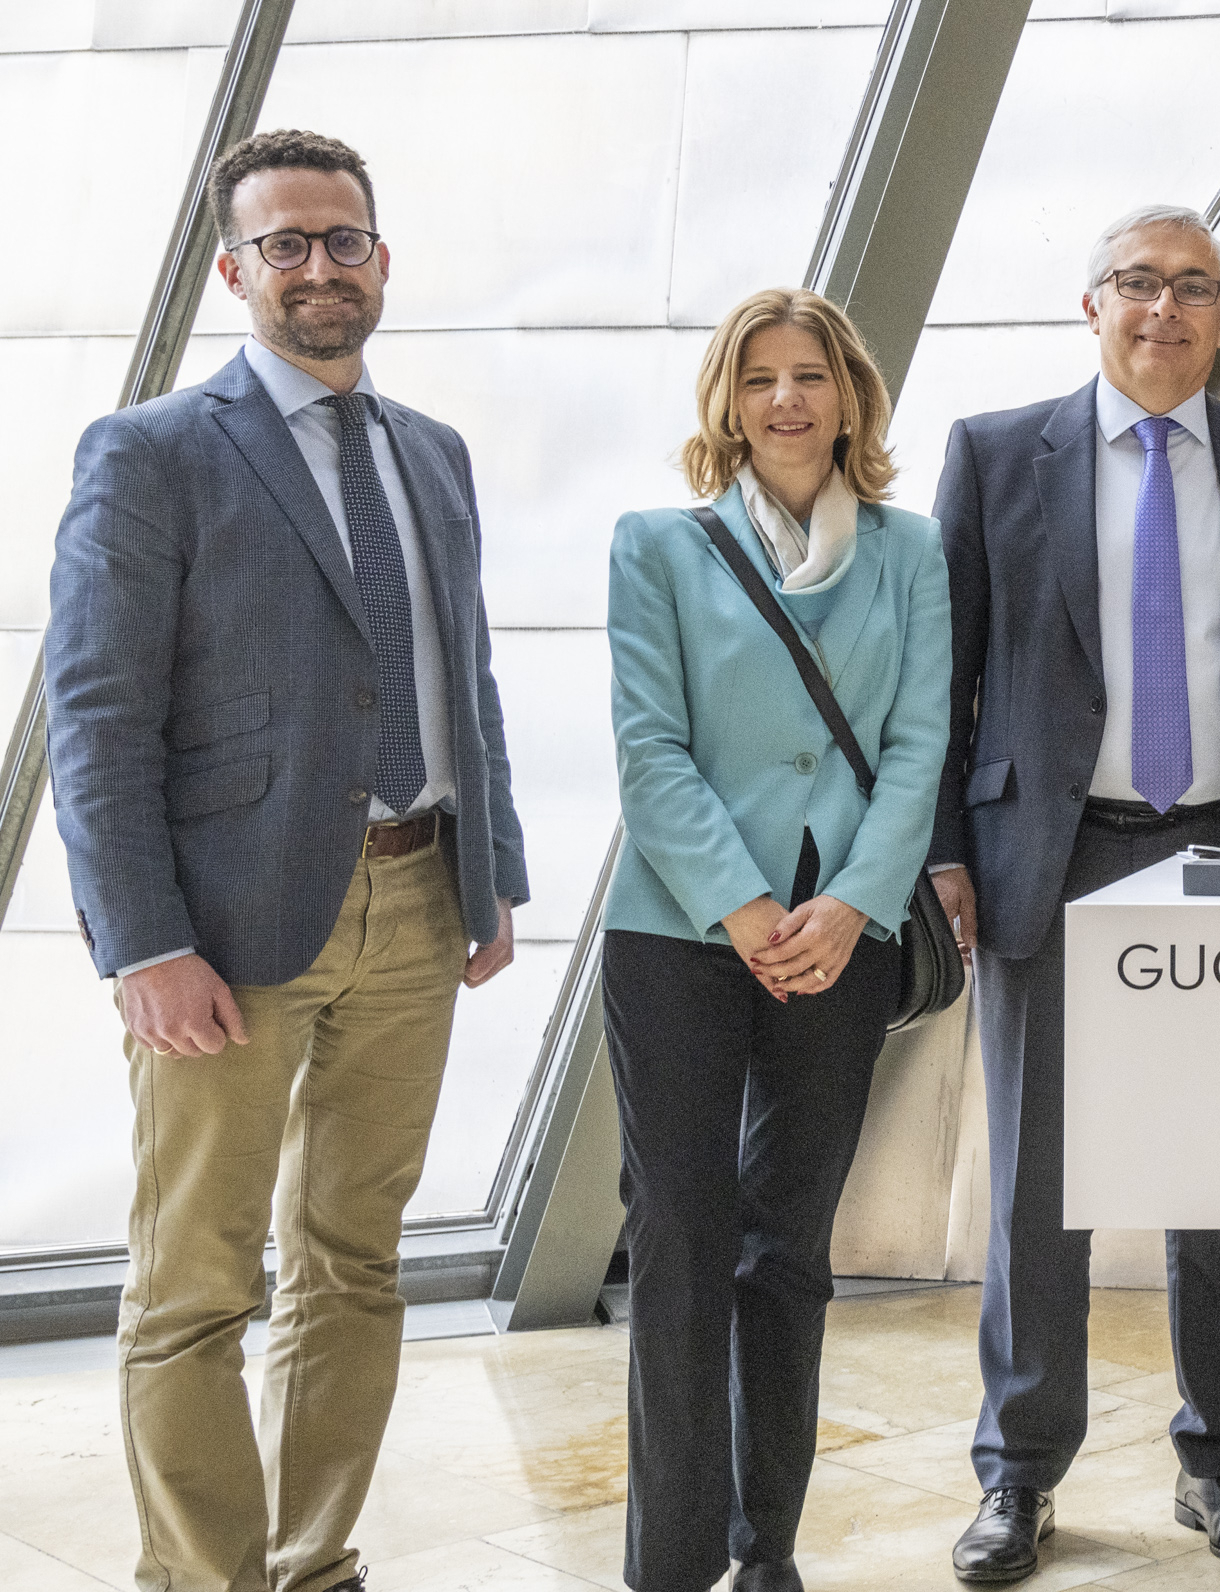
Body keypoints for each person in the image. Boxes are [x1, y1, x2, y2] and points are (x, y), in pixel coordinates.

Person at [46, 128, 528, 1592]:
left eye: (344, 239)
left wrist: (491, 872)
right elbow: (95, 714)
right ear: (233, 270)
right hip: (225, 925)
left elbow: (463, 673)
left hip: (420, 897)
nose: (321, 267)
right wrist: (143, 941)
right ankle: (208, 1577)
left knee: (354, 1259)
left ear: (382, 257)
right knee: (194, 1280)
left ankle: (313, 1561)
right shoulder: (151, 453)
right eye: (287, 244)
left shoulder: (431, 451)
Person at [929, 205, 1220, 1583]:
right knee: (1035, 1184)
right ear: (1091, 304)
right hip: (1050, 858)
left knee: (1216, 1166)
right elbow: (943, 676)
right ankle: (1018, 1473)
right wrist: (943, 846)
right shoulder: (996, 455)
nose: (1162, 308)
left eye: (1193, 287)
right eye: (1137, 282)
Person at [599, 288, 949, 1592]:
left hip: (840, 935)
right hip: (679, 931)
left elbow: (918, 743)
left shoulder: (911, 551)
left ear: (850, 395)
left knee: (786, 1249)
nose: (787, 399)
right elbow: (649, 748)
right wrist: (743, 905)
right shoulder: (656, 545)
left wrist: (853, 901)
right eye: (759, 380)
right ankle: (671, 1562)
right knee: (681, 1244)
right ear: (728, 405)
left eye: (810, 375)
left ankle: (768, 1547)